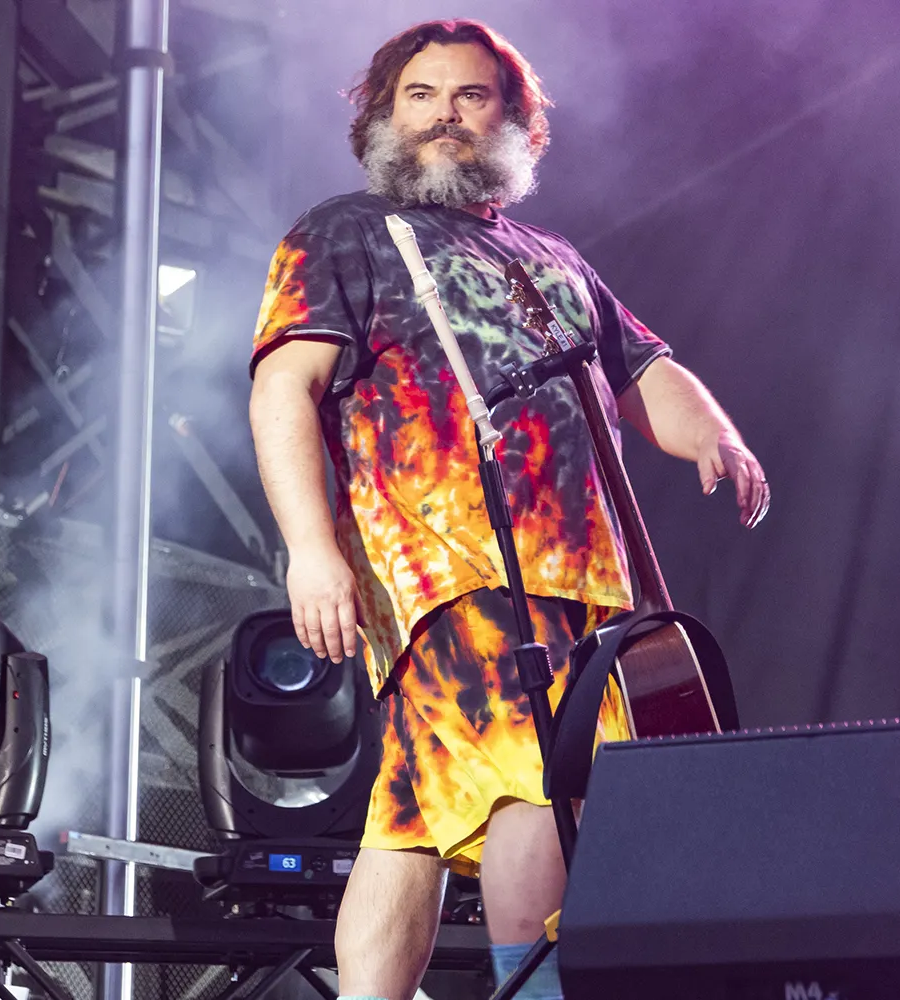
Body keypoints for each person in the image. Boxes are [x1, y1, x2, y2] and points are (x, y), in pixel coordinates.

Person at [247, 20, 769, 1000]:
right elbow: (284, 389)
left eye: (471, 95)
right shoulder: (345, 232)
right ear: (381, 118)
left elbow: (645, 368)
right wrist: (310, 551)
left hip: (592, 594)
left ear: (514, 120)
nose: (445, 113)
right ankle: (534, 989)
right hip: (459, 575)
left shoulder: (552, 254)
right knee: (539, 780)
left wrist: (713, 435)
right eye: (421, 95)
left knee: (413, 815)